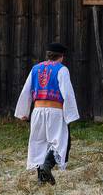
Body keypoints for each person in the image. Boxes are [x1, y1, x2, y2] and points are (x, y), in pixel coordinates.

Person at [14, 41, 79, 185]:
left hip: (37, 111)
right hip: (55, 111)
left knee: (39, 142)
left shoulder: (36, 69)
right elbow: (67, 94)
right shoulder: (62, 70)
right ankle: (46, 166)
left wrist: (23, 112)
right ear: (61, 56)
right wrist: (70, 114)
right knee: (60, 141)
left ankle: (41, 179)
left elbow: (26, 90)